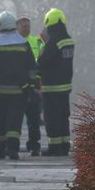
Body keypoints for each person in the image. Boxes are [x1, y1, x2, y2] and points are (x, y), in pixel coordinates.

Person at [0, 11, 38, 160]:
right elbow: (32, 67)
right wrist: (31, 85)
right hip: (19, 91)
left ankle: (0, 148)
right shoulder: (23, 43)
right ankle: (13, 149)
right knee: (14, 121)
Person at [38, 8, 75, 156]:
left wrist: (44, 45)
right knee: (63, 116)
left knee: (51, 117)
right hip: (65, 86)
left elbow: (43, 61)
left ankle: (54, 147)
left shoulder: (54, 41)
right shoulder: (68, 40)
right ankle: (65, 145)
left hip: (52, 86)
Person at [17, 16, 44, 157]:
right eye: (24, 27)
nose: (27, 29)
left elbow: (42, 62)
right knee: (15, 119)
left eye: (28, 26)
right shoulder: (14, 43)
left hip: (33, 86)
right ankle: (13, 145)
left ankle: (34, 146)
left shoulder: (36, 42)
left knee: (33, 120)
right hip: (18, 86)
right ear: (17, 28)